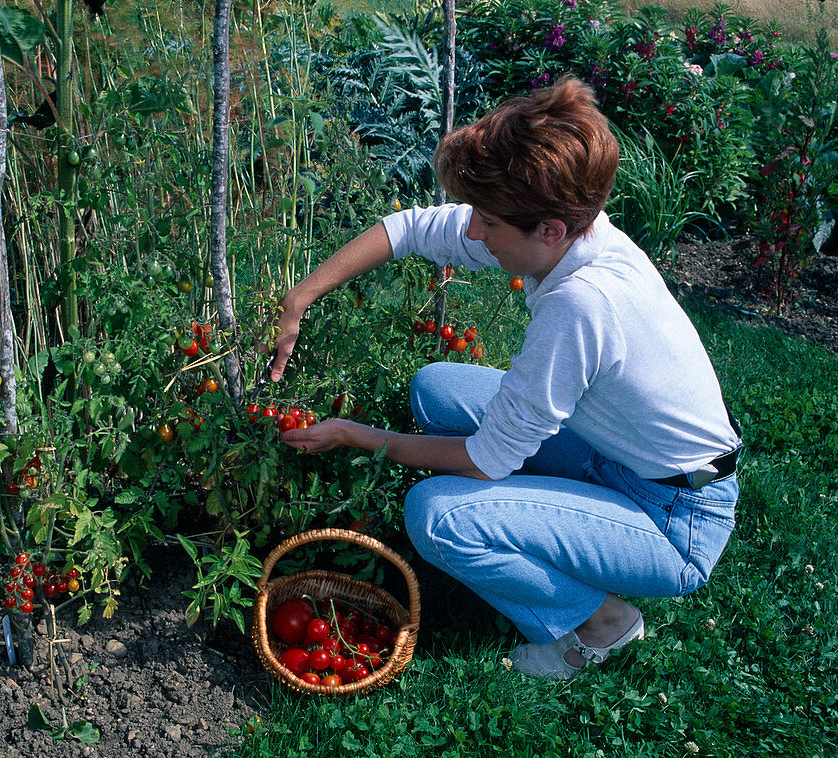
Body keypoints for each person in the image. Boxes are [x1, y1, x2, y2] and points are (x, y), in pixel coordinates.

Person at [269, 76, 742, 680]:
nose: (471, 233)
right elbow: (412, 229)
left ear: (548, 230)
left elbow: (487, 459)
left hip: (676, 521)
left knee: (436, 514)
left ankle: (599, 623)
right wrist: (299, 299)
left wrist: (357, 435)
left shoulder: (582, 304)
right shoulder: (575, 235)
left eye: (487, 222)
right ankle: (536, 524)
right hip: (622, 457)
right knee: (436, 388)